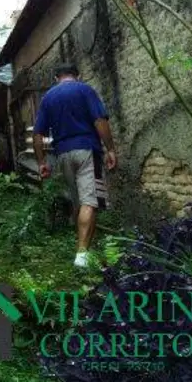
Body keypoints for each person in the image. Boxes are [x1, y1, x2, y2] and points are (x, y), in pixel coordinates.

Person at [33, 64, 117, 268]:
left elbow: (38, 134)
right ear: (78, 75)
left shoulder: (48, 98)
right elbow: (99, 120)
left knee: (80, 202)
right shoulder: (84, 90)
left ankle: (87, 249)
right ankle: (81, 255)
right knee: (90, 201)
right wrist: (111, 149)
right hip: (87, 150)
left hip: (63, 154)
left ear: (56, 77)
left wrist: (42, 162)